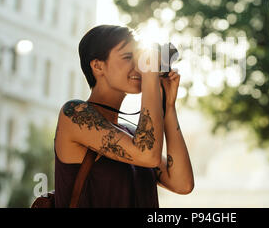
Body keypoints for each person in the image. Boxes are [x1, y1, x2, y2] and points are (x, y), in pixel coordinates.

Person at [54, 25, 194, 207]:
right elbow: (148, 155)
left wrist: (168, 105)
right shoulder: (74, 113)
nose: (138, 66)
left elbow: (182, 183)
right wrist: (151, 75)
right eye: (128, 57)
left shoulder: (132, 134)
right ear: (97, 66)